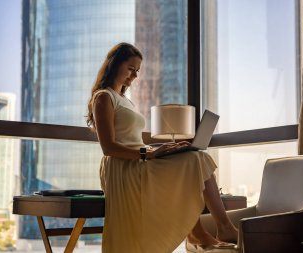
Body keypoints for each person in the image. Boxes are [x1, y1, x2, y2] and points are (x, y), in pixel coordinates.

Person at [87, 42, 238, 253]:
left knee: (196, 159)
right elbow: (109, 147)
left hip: (139, 158)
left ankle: (204, 232)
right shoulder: (103, 97)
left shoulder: (125, 100)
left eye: (137, 71)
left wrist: (161, 149)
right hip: (122, 167)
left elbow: (132, 139)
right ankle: (217, 229)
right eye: (130, 69)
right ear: (114, 64)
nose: (134, 76)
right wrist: (147, 153)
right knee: (197, 161)